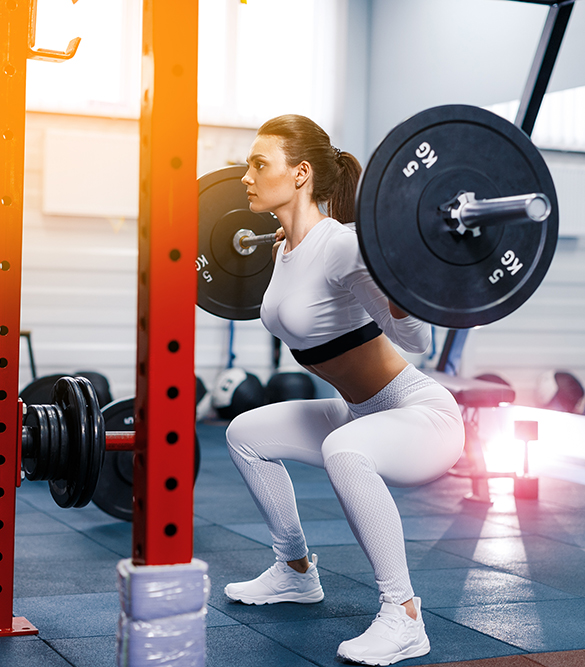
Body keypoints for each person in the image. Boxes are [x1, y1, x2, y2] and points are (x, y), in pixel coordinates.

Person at [223, 114, 465, 666]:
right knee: (244, 434)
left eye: (260, 164)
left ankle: (403, 615)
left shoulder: (343, 246)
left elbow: (417, 339)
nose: (246, 176)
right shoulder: (284, 246)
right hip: (359, 410)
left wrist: (402, 293)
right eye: (247, 166)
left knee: (343, 450)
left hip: (420, 414)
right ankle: (295, 570)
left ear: (301, 173)